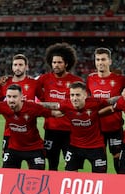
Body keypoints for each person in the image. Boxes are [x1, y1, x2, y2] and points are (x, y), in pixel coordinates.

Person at [42, 81, 119, 173]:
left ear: (85, 95)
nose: (74, 98)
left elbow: (110, 101)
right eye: (72, 95)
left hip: (96, 147)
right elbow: (52, 105)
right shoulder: (67, 104)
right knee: (69, 176)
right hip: (75, 147)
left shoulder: (94, 103)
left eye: (78, 95)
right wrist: (33, 104)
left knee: (99, 178)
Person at [37, 42, 83, 171]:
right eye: (54, 62)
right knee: (52, 165)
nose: (56, 65)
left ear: (66, 63)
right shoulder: (44, 79)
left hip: (71, 131)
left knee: (72, 166)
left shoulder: (76, 81)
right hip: (51, 130)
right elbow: (29, 88)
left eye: (59, 62)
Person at [0, 84, 61, 170]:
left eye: (14, 97)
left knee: (37, 178)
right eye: (9, 97)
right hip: (14, 149)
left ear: (21, 97)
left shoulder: (32, 108)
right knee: (7, 178)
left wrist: (71, 107)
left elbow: (55, 113)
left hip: (34, 149)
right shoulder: (2, 107)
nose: (11, 100)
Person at [86, 47, 125, 173]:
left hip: (115, 127)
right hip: (97, 129)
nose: (100, 62)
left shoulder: (120, 80)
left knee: (118, 159)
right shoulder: (90, 79)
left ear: (110, 61)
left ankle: (121, 188)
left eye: (103, 59)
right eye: (97, 59)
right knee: (99, 161)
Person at [0, 54, 41, 158]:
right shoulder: (4, 83)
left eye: (21, 65)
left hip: (31, 134)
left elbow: (42, 103)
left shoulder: (34, 83)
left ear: (26, 67)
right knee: (8, 169)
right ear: (12, 67)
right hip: (9, 133)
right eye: (15, 65)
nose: (17, 67)